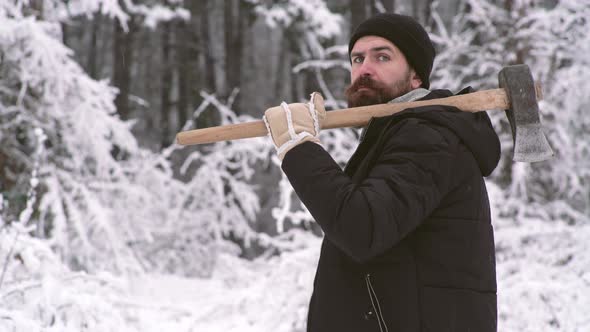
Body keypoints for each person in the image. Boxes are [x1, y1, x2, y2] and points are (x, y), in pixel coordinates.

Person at [263, 13, 500, 332]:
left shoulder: (428, 136)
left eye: (382, 56)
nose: (365, 68)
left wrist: (299, 147)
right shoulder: (403, 135)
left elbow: (362, 227)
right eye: (357, 59)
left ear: (416, 76)